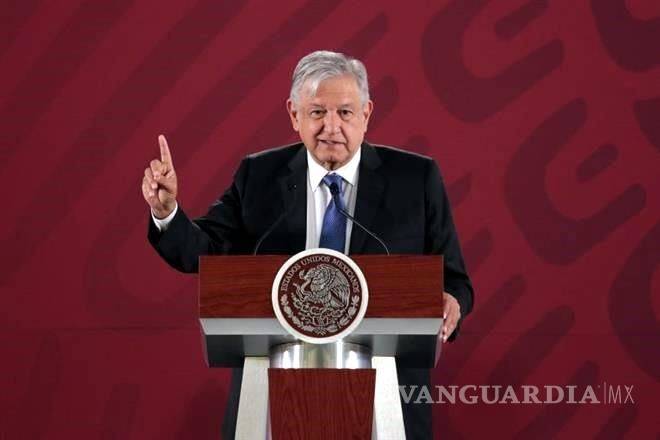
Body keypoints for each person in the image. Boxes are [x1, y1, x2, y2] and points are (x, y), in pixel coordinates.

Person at [142, 50, 473, 439]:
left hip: (385, 402)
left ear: (366, 114)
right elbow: (205, 251)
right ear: (293, 114)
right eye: (317, 112)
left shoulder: (415, 179)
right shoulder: (259, 176)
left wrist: (452, 302)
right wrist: (166, 212)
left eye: (345, 112)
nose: (331, 127)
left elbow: (455, 280)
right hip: (273, 395)